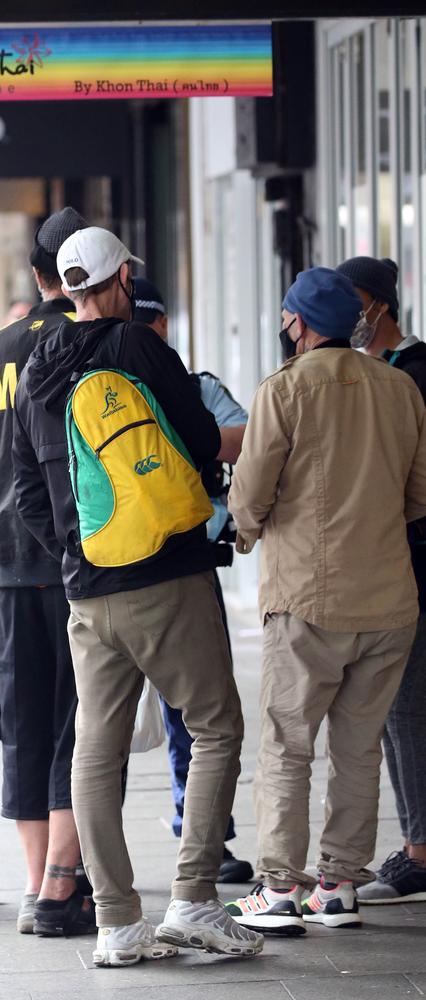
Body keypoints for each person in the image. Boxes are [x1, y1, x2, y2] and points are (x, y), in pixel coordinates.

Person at [12, 226, 264, 967]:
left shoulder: (37, 371)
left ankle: (118, 923)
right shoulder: (140, 347)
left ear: (64, 285)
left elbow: (27, 488)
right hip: (169, 575)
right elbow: (197, 441)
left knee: (96, 748)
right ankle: (193, 899)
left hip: (87, 589)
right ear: (121, 278)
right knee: (216, 723)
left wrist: (75, 547)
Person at [226, 266, 426, 934]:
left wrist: (248, 533)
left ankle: (279, 890)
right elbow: (421, 495)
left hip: (309, 599)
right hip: (390, 600)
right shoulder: (399, 387)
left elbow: (250, 494)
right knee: (359, 748)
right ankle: (339, 886)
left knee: (286, 744)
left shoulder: (285, 388)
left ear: (299, 323)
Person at [0, 206, 96, 937]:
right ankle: (61, 881)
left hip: (10, 559)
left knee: (24, 720)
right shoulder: (99, 342)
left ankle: (33, 881)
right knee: (79, 722)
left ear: (37, 274)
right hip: (81, 556)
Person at [132, 278, 252, 882]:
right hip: (120, 569)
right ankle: (71, 861)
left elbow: (244, 441)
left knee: (199, 713)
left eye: (149, 327)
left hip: (193, 567)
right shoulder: (101, 393)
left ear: (161, 329)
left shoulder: (198, 388)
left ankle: (205, 836)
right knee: (102, 726)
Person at [335, 256, 426, 905]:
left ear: (379, 304)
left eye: (354, 301)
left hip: (413, 562)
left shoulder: (413, 371)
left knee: (407, 708)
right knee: (397, 710)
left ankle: (421, 850)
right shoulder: (369, 373)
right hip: (386, 561)